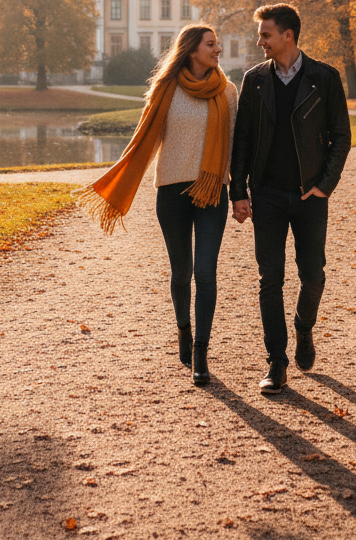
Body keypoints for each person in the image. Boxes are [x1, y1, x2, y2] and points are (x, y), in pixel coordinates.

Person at [75, 24, 239, 385]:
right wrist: (118, 180)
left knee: (205, 272)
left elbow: (234, 146)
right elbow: (145, 139)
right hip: (171, 193)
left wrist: (240, 191)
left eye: (218, 45)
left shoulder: (228, 92)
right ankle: (183, 329)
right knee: (181, 273)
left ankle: (200, 351)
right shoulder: (166, 89)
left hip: (212, 192)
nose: (218, 50)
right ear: (192, 50)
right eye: (211, 45)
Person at [230, 4, 352, 395]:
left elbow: (341, 137)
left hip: (309, 195)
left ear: (288, 35)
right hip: (266, 194)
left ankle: (303, 326)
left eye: (265, 34)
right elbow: (243, 140)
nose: (259, 41)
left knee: (313, 274)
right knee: (270, 279)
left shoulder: (325, 78)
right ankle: (276, 363)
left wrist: (324, 185)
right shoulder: (255, 80)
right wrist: (239, 193)